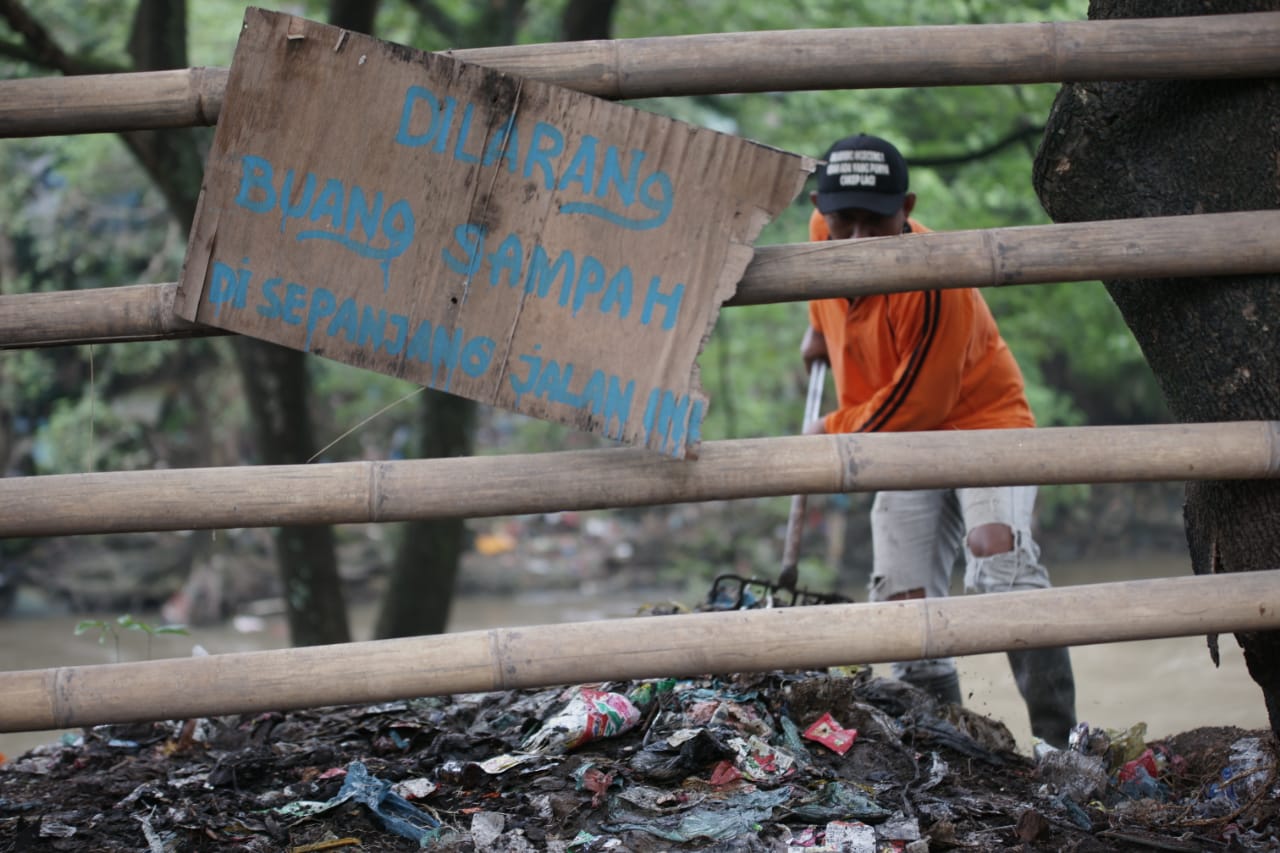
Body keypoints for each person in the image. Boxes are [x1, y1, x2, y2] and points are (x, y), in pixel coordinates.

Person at [801, 133, 1077, 748]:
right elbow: (837, 308)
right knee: (904, 598)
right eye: (842, 220)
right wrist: (816, 328)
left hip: (980, 422)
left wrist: (828, 431)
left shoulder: (932, 280)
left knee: (997, 555)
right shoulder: (818, 245)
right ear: (821, 209)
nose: (856, 242)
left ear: (908, 209)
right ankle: (948, 752)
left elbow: (917, 403)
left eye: (875, 223)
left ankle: (1059, 747)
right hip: (899, 440)